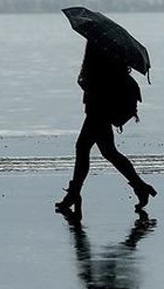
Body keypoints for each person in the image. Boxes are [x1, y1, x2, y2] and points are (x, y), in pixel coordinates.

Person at [56, 42, 156, 217]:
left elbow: (99, 81)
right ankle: (140, 187)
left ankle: (74, 194)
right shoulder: (111, 50)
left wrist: (86, 80)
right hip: (100, 107)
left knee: (84, 148)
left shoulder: (100, 49)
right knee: (108, 152)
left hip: (99, 107)